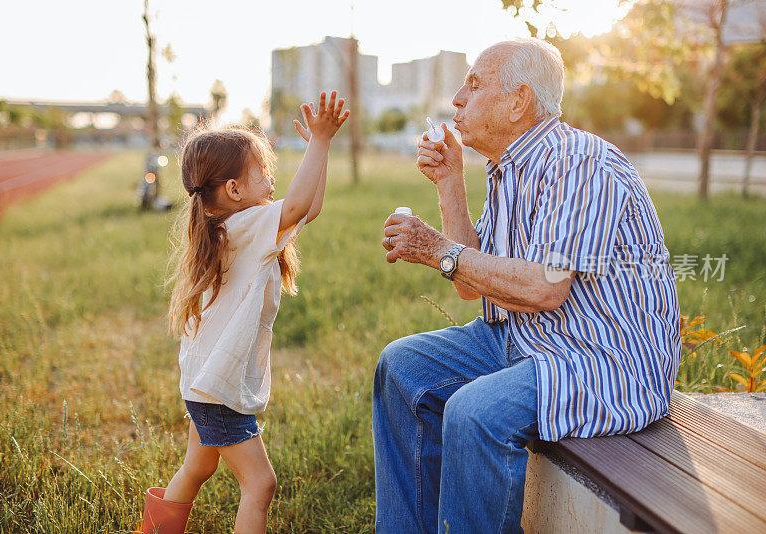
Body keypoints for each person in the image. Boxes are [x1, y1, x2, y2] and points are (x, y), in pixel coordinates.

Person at [373, 37, 680, 533]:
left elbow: (545, 287)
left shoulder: (579, 163)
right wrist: (451, 183)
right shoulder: (510, 169)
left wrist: (437, 250)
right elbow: (473, 287)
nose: (456, 99)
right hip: (527, 335)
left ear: (518, 102)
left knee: (473, 413)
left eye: (473, 85)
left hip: (602, 357)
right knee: (401, 365)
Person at [135, 91, 349, 534]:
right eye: (264, 173)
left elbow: (308, 207)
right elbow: (296, 205)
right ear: (234, 190)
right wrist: (320, 144)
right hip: (219, 387)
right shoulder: (248, 225)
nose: (272, 180)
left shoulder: (227, 226)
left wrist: (319, 150)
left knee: (198, 465)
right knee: (260, 485)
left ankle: (156, 530)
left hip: (203, 382)